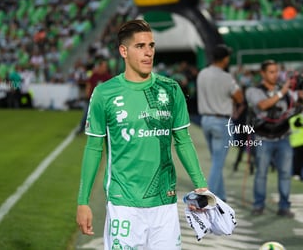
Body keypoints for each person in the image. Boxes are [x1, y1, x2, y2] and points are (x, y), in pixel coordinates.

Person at [76, 19, 208, 250]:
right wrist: (83, 202)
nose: (148, 53)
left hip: (165, 204)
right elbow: (94, 148)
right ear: (123, 51)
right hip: (123, 205)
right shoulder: (104, 94)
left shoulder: (171, 89)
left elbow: (183, 140)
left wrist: (201, 186)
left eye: (151, 46)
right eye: (140, 46)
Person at [245, 60, 303, 217]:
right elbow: (263, 105)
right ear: (263, 73)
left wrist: (300, 98)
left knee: (285, 174)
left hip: (283, 137)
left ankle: (284, 207)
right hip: (263, 138)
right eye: (271, 71)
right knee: (261, 173)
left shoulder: (284, 90)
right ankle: (259, 205)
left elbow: (294, 110)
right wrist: (282, 93)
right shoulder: (254, 90)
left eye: (276, 71)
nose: (275, 74)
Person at [196, 44, 243, 201]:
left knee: (217, 161)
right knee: (218, 163)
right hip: (221, 121)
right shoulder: (226, 77)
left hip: (205, 120)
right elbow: (239, 98)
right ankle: (206, 198)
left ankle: (221, 196)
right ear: (224, 59)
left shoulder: (202, 73)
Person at [76, 59, 112, 134]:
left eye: (106, 67)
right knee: (86, 114)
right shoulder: (94, 75)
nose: (105, 68)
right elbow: (88, 84)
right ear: (100, 66)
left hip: (103, 100)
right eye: (104, 66)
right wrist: (87, 94)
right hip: (92, 98)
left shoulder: (108, 76)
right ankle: (81, 129)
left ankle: (106, 130)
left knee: (105, 116)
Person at [289, 113, 303, 180]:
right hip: (296, 142)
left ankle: (298, 174)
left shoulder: (301, 117)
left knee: (301, 160)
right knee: (297, 159)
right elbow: (293, 126)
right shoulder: (292, 118)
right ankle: (296, 174)